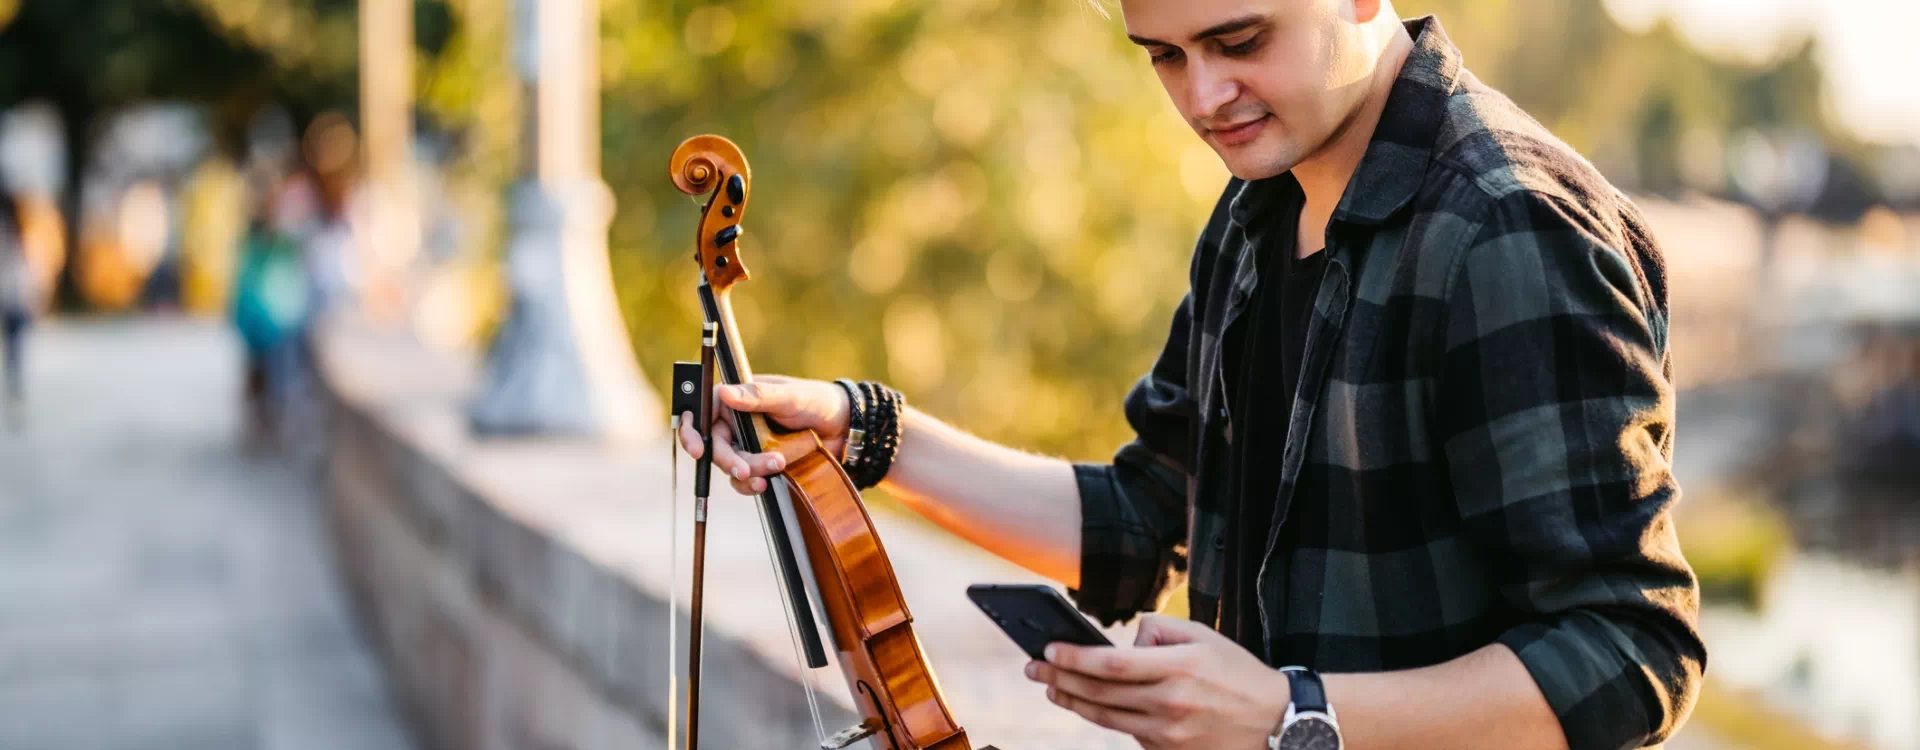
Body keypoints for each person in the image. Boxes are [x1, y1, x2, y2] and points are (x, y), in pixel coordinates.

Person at [679, 2, 1703, 748]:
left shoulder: (1509, 225)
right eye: (1164, 55)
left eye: (1239, 41)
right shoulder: (1258, 209)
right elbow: (1142, 515)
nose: (1204, 97)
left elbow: (1630, 654)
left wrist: (1291, 713)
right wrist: (863, 434)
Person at [0, 189, 33, 426]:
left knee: (14, 343)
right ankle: (14, 384)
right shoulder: (15, 234)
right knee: (14, 344)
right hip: (13, 295)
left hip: (12, 296)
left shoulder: (15, 235)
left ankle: (14, 384)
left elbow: (21, 269)